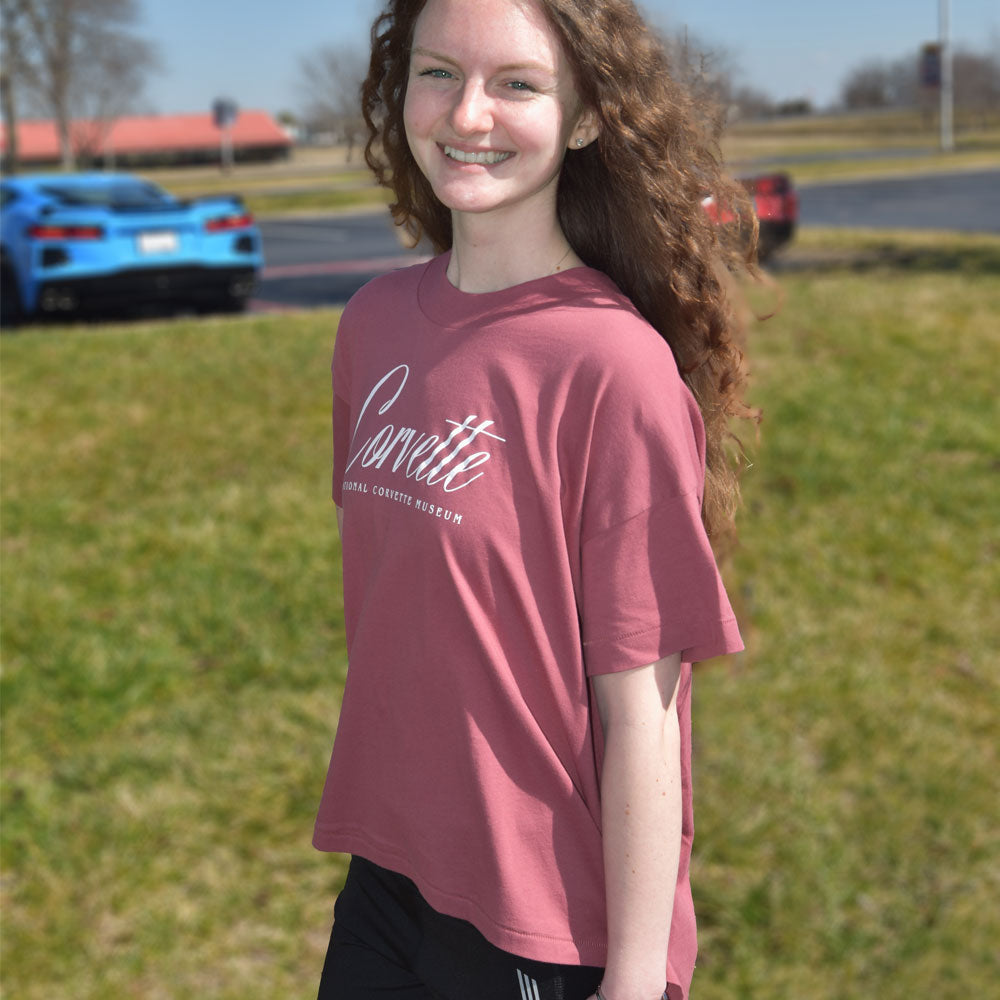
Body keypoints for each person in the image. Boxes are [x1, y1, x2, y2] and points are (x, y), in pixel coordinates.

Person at [312, 1, 758, 998]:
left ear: (588, 115)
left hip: (540, 921)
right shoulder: (374, 326)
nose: (467, 113)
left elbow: (643, 717)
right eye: (438, 73)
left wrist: (635, 980)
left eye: (515, 83)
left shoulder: (610, 368)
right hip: (386, 872)